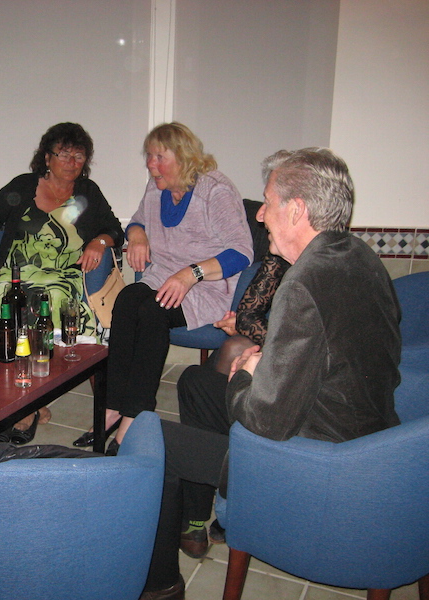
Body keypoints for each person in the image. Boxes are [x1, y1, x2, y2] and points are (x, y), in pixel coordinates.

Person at [140, 147, 401, 600]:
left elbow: (266, 421)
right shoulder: (360, 257)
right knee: (196, 384)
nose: (260, 215)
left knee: (152, 437)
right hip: (366, 439)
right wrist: (264, 367)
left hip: (310, 462)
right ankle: (199, 518)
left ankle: (162, 587)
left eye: (267, 202)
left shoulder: (304, 284)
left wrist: (247, 372)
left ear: (296, 210)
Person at [74, 122, 253, 450]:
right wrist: (137, 235)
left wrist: (190, 274)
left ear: (184, 158)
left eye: (159, 157)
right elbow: (138, 220)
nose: (150, 164)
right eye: (148, 156)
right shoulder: (157, 187)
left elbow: (242, 252)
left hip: (204, 286)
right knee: (128, 298)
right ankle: (113, 406)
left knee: (153, 311)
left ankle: (135, 416)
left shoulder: (216, 190)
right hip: (163, 276)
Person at [0, 122, 123, 443]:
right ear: (47, 157)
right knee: (8, 302)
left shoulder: (87, 193)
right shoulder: (23, 186)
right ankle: (24, 400)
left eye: (79, 156)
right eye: (64, 154)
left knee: (55, 302)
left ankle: (46, 398)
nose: (72, 162)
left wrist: (99, 242)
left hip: (63, 274)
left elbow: (114, 229)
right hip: (14, 273)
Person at [176, 251, 288, 558]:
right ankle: (222, 483)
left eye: (270, 229)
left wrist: (250, 334)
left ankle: (201, 510)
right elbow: (252, 314)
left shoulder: (321, 271)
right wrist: (244, 329)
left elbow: (302, 344)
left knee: (197, 384)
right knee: (231, 350)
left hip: (302, 388)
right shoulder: (282, 258)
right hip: (283, 356)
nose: (262, 223)